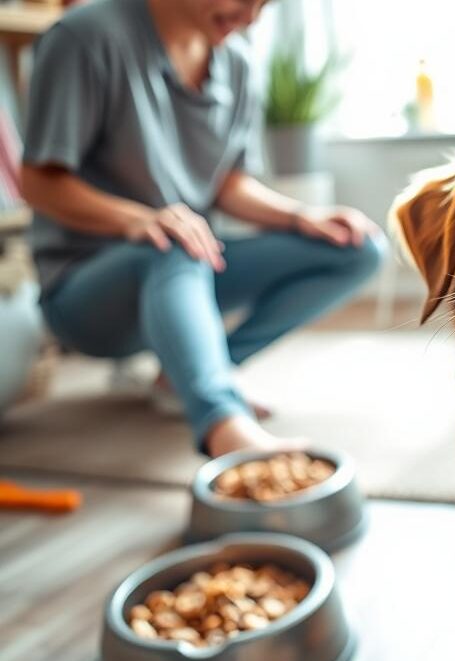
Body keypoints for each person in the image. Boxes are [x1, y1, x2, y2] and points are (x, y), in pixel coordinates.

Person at [21, 0, 384, 457]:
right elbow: (38, 182)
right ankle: (224, 424)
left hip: (189, 267)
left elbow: (228, 185)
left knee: (359, 249)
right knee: (172, 243)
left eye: (265, 4)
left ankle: (191, 374)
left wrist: (302, 216)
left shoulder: (235, 62)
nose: (251, 16)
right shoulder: (85, 37)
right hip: (86, 294)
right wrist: (142, 220)